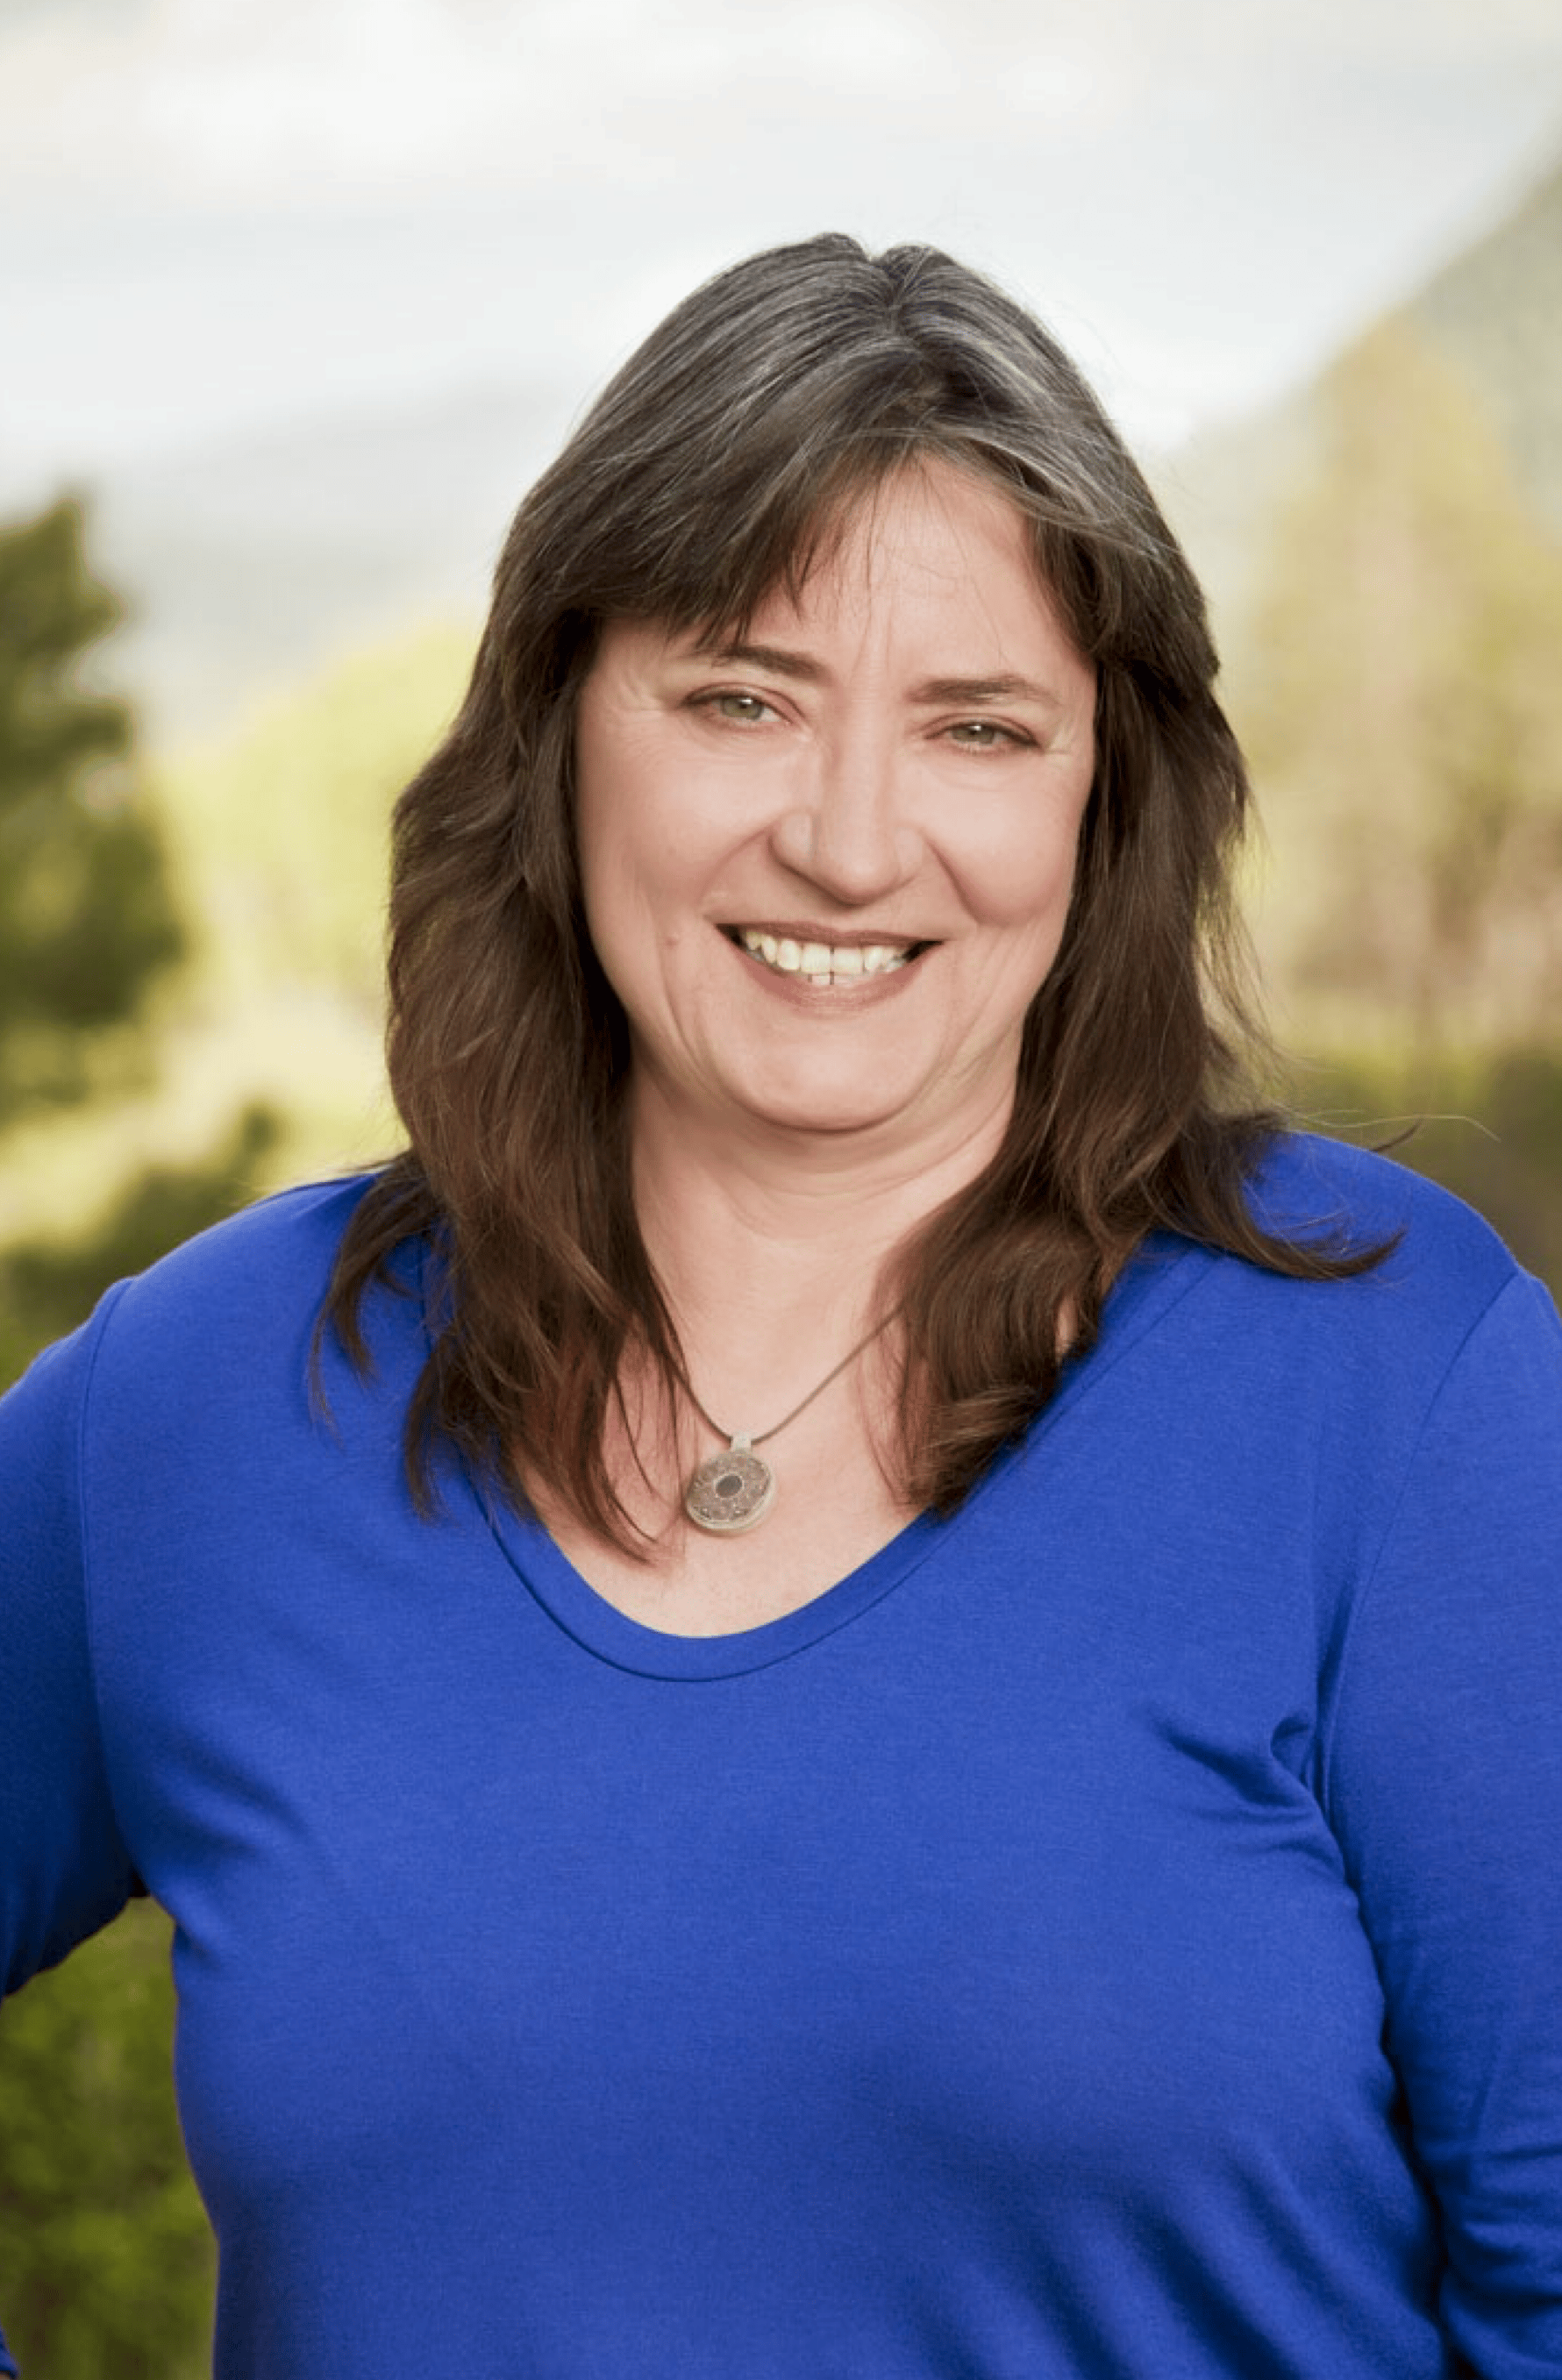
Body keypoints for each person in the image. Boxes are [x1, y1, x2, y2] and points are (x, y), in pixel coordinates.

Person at [2, 232, 1559, 2380]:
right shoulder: (201, 1403)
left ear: (1102, 796)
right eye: (740, 695)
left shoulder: (1400, 1390)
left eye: (975, 727)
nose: (847, 840)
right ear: (558, 730)